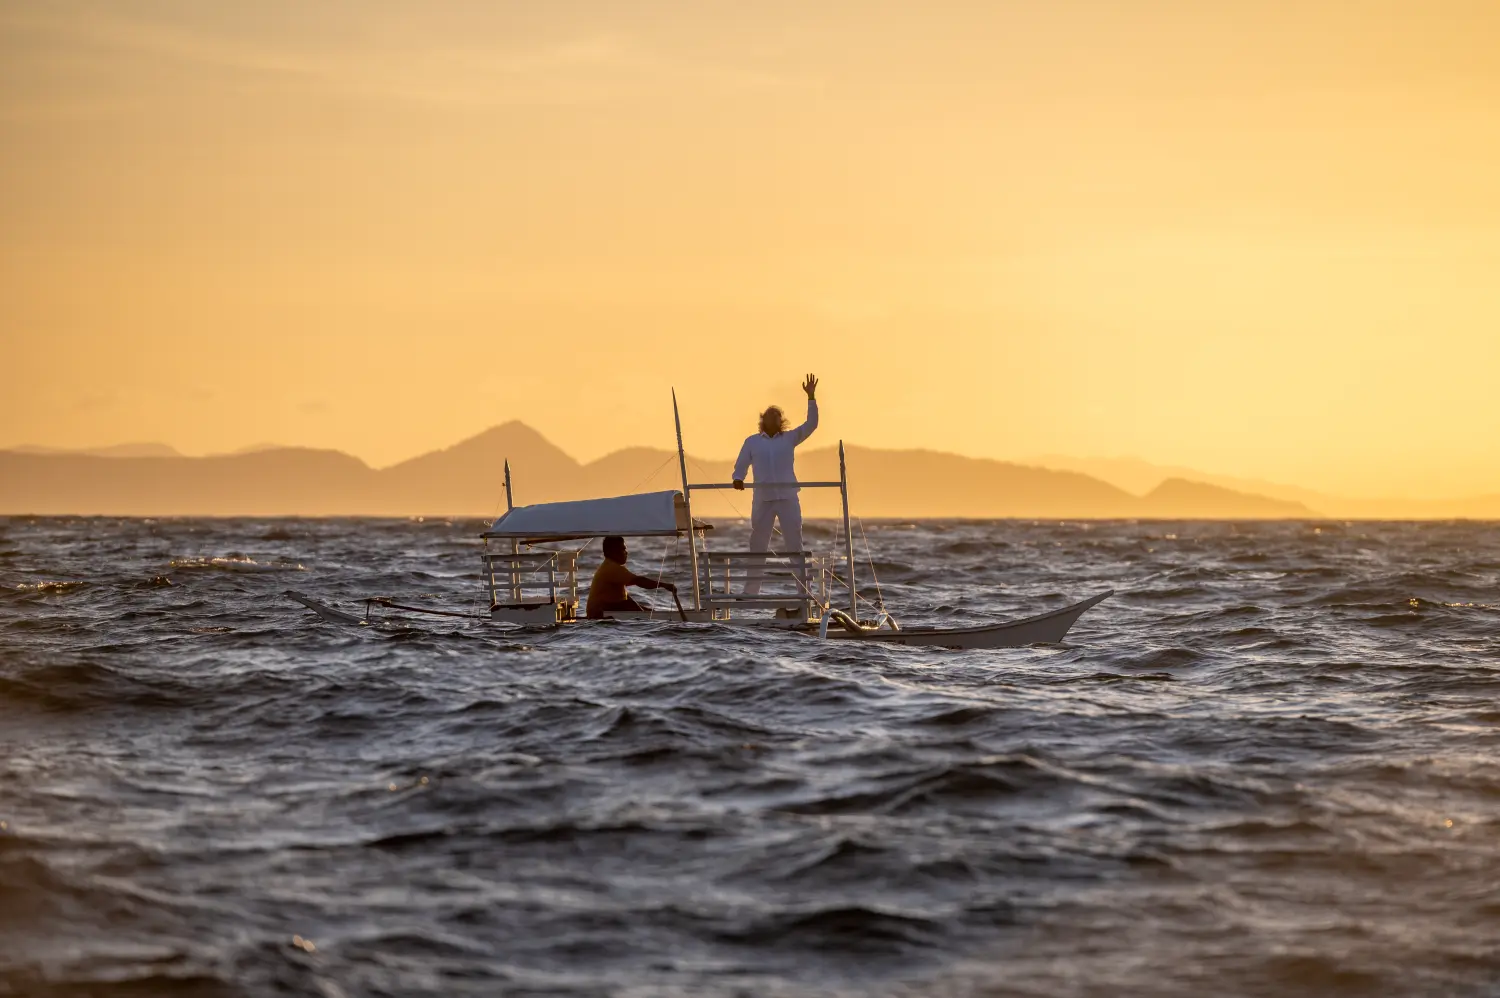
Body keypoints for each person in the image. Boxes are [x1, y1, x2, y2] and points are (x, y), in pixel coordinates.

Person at [733, 373, 819, 595]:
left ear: (781, 421)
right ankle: (751, 592)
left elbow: (811, 424)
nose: (772, 419)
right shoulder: (752, 442)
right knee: (758, 545)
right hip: (763, 499)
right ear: (762, 420)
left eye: (776, 416)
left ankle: (803, 592)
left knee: (794, 544)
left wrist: (811, 397)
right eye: (768, 416)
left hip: (788, 498)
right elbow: (742, 462)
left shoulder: (789, 438)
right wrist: (738, 478)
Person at [585, 535, 677, 618]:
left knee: (636, 605)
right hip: (598, 615)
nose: (626, 552)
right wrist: (664, 585)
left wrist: (647, 611)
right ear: (612, 552)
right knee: (629, 604)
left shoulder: (611, 566)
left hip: (604, 611)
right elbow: (640, 581)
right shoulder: (611, 568)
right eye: (623, 549)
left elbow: (623, 597)